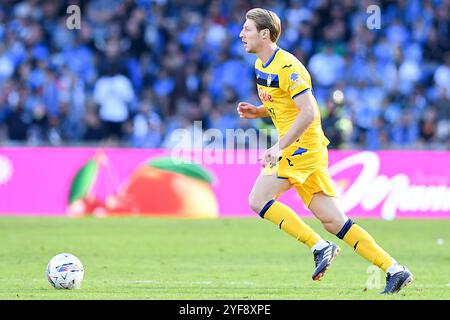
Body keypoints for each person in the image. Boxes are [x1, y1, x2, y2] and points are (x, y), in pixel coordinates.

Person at [237, 8, 413, 294]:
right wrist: (257, 111)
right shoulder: (260, 66)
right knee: (334, 220)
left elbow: (309, 113)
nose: (241, 34)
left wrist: (279, 146)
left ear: (264, 34)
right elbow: (283, 107)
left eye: (246, 29)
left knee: (258, 199)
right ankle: (396, 269)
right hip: (306, 149)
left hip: (302, 148)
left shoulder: (289, 67)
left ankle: (320, 247)